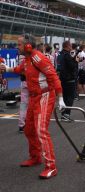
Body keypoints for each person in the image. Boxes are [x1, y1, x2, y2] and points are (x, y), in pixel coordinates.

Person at [0, 34, 66, 179]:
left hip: (45, 96)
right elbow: (19, 70)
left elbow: (54, 77)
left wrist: (61, 98)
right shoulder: (27, 59)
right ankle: (36, 157)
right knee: (29, 129)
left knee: (41, 130)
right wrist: (6, 69)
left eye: (19, 44)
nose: (17, 47)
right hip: (34, 97)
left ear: (28, 46)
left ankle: (51, 166)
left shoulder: (39, 58)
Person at [59, 40, 78, 122]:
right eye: (70, 45)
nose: (71, 47)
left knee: (65, 97)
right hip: (69, 79)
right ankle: (66, 115)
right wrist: (75, 60)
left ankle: (64, 114)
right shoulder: (67, 55)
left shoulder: (60, 55)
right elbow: (72, 66)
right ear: (67, 46)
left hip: (62, 79)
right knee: (70, 97)